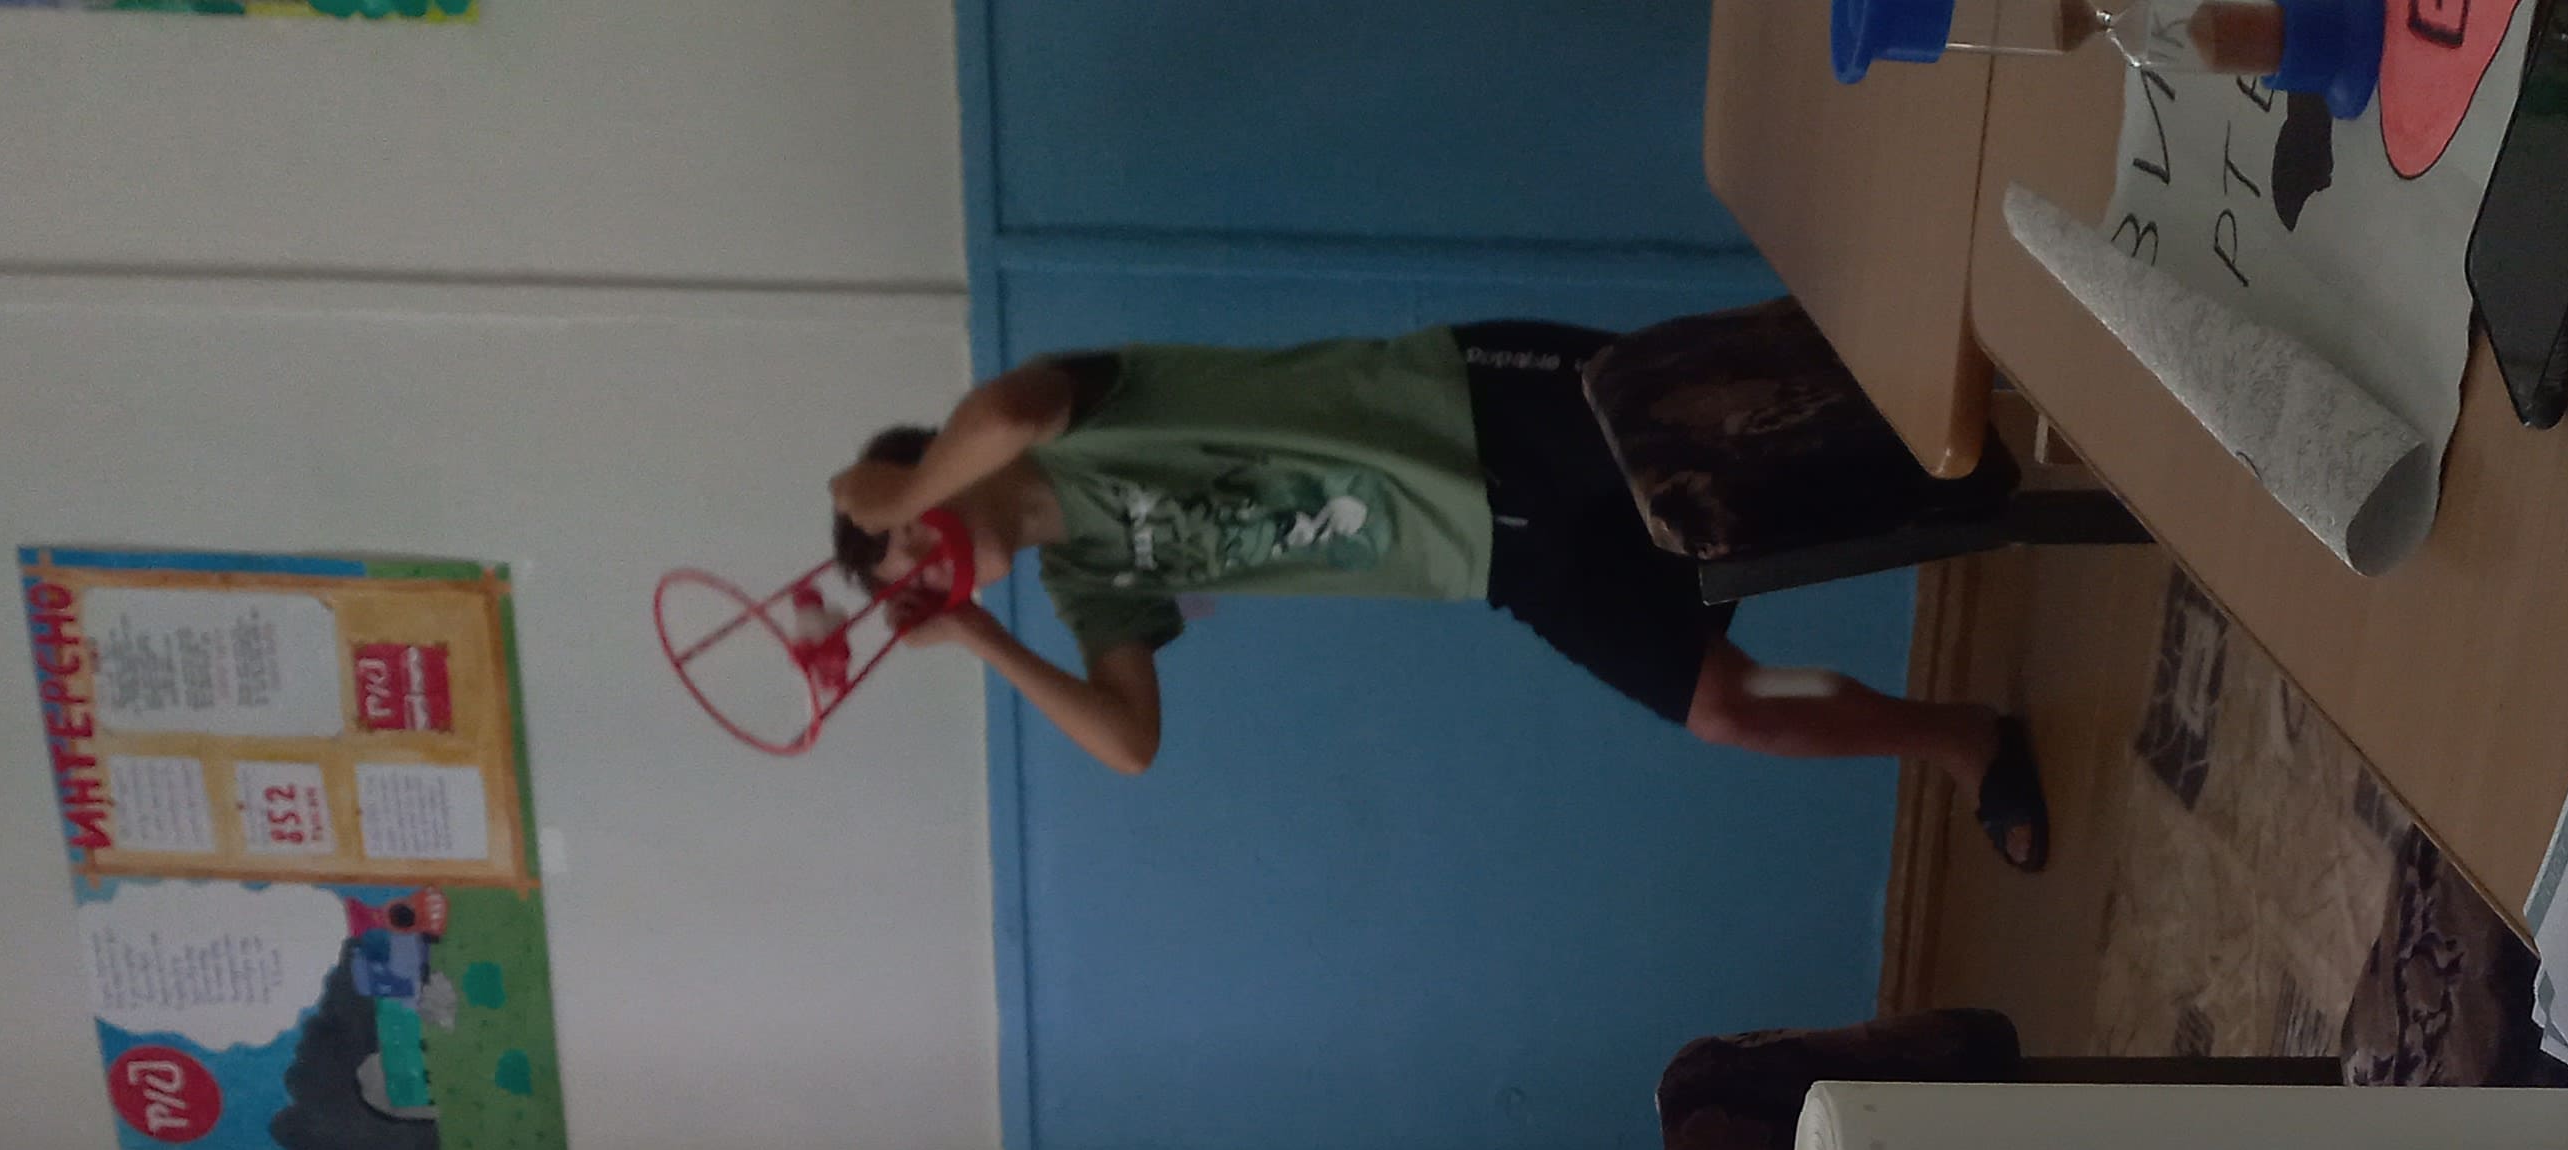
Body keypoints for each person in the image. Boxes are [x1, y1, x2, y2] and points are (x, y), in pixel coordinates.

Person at [825, 323, 2054, 868]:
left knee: (1787, 448)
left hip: (1481, 409)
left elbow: (1009, 413)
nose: (923, 567)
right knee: (1733, 704)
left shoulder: (1065, 410)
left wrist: (897, 498)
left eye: (908, 538)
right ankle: (1958, 738)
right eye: (908, 571)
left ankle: (2026, 415)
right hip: (1496, 559)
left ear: (922, 479)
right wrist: (977, 634)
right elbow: (1127, 742)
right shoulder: (1087, 577)